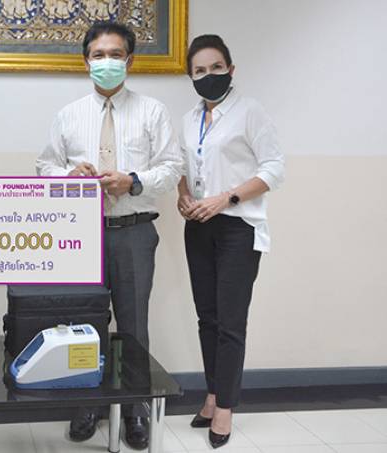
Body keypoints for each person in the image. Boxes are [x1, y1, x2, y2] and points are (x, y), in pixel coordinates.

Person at [36, 22, 182, 450]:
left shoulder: (152, 112)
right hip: (80, 234)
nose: (106, 62)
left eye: (115, 54)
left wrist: (132, 181)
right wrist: (69, 175)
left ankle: (134, 410)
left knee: (133, 325)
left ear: (129, 61)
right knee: (84, 323)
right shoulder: (69, 115)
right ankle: (88, 404)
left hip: (133, 232)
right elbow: (44, 167)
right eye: (98, 55)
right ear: (86, 61)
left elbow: (171, 167)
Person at [176, 35, 285, 449]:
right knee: (207, 318)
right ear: (191, 77)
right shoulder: (189, 119)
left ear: (231, 69)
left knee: (230, 323)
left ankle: (225, 407)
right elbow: (183, 167)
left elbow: (274, 169)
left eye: (216, 67)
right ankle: (211, 394)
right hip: (199, 226)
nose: (209, 75)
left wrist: (227, 198)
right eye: (200, 70)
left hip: (238, 227)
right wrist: (183, 196)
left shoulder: (250, 111)